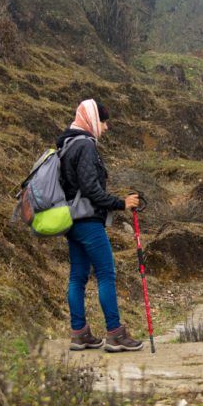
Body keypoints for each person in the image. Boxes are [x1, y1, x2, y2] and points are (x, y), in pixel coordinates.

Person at [57, 99, 144, 352]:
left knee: (77, 277)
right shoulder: (84, 145)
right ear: (92, 119)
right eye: (103, 121)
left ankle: (79, 333)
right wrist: (121, 203)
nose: (105, 127)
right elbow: (91, 189)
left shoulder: (67, 144)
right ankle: (115, 334)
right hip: (88, 223)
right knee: (106, 274)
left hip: (71, 222)